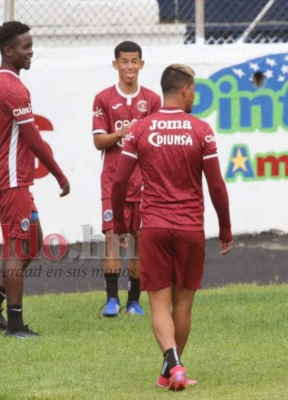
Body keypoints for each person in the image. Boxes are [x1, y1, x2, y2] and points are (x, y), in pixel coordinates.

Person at [112, 64, 233, 390]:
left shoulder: (140, 130)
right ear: (185, 90)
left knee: (159, 304)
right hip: (190, 228)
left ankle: (171, 367)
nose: (195, 94)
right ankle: (175, 367)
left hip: (154, 228)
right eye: (194, 89)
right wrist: (225, 227)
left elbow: (120, 180)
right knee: (183, 305)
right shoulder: (201, 130)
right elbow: (217, 185)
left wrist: (121, 222)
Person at [0, 21, 70, 338]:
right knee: (18, 249)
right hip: (13, 178)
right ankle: (15, 325)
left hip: (6, 176)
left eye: (31, 45)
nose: (31, 52)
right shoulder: (14, 88)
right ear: (8, 50)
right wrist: (59, 174)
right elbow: (33, 139)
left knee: (33, 241)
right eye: (25, 47)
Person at [92, 41, 161, 317]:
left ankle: (134, 301)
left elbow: (156, 143)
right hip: (113, 181)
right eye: (124, 61)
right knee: (112, 236)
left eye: (134, 62)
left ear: (141, 64)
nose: (129, 67)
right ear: (115, 64)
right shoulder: (104, 99)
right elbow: (99, 141)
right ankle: (111, 300)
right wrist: (122, 134)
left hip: (143, 182)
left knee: (139, 239)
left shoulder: (153, 100)